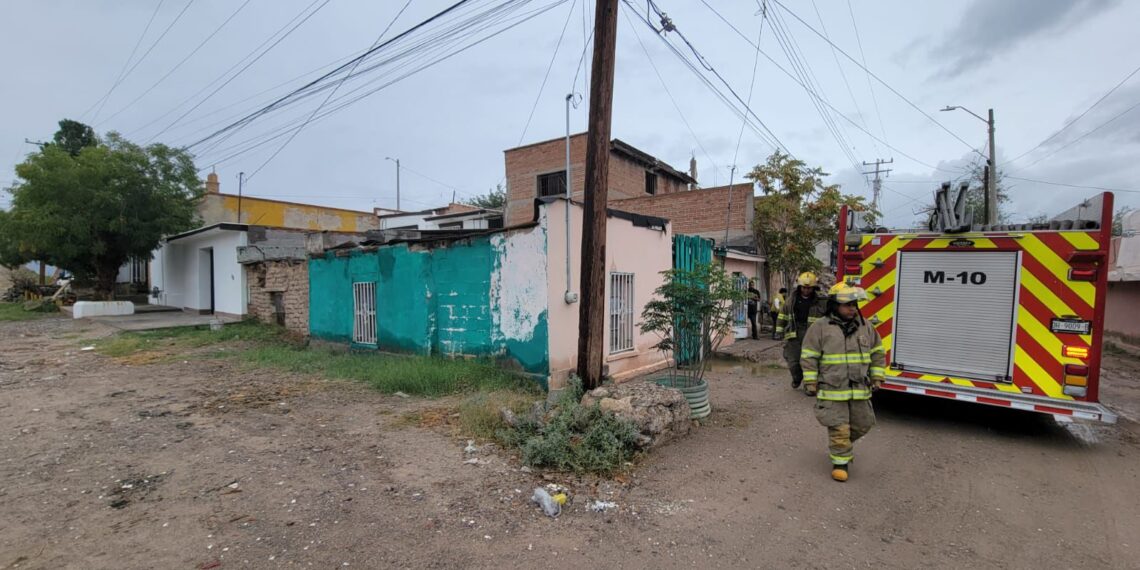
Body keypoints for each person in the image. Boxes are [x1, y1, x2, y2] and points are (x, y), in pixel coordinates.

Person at [799, 282, 885, 482]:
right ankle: (840, 463)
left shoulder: (866, 326)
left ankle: (842, 445)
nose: (852, 308)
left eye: (854, 305)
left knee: (863, 424)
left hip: (859, 389)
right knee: (839, 427)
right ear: (835, 305)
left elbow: (877, 353)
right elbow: (809, 356)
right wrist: (810, 381)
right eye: (847, 305)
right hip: (832, 389)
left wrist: (877, 377)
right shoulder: (820, 328)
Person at [776, 273, 827, 389]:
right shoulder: (791, 301)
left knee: (810, 361)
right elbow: (782, 316)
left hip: (813, 335)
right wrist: (779, 331)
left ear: (814, 288)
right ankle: (797, 378)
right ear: (800, 287)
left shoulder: (821, 302)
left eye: (809, 288)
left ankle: (809, 385)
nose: (806, 290)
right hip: (794, 334)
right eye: (804, 288)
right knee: (793, 361)